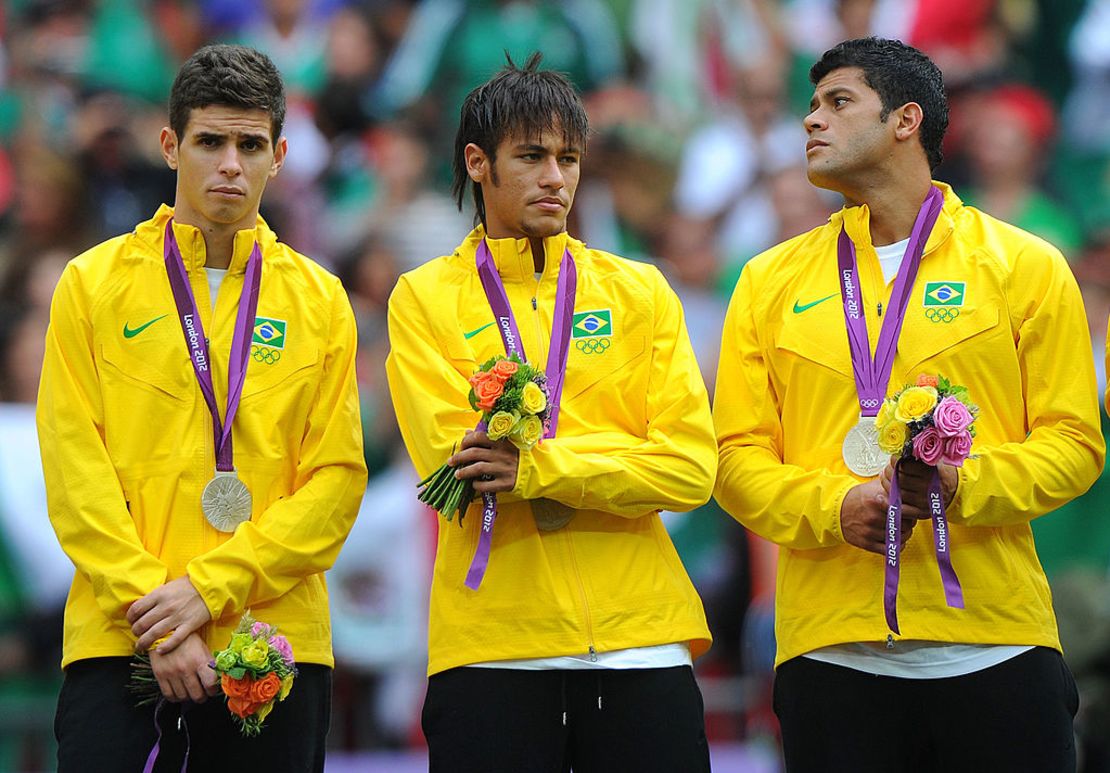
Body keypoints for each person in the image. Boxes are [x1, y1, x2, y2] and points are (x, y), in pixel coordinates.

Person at [713, 37, 1103, 772]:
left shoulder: (1024, 265)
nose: (810, 121)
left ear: (905, 120)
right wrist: (835, 507)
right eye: (810, 105)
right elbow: (733, 457)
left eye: (837, 101)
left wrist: (963, 483)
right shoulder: (766, 282)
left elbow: (1075, 443)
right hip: (831, 652)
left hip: (997, 642)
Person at [36, 44, 366, 772]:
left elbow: (336, 480)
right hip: (120, 635)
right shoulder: (90, 285)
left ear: (279, 155)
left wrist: (209, 591)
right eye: (210, 141)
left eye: (251, 145)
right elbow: (74, 469)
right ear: (170, 144)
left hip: (274, 640)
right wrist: (157, 615)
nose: (230, 164)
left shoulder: (320, 300)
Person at [385, 53, 716, 772]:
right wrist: (619, 457)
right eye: (531, 156)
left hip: (642, 641)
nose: (556, 177)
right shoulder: (422, 299)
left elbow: (690, 468)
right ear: (478, 162)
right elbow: (459, 465)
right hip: (494, 645)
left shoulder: (641, 291)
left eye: (568, 157)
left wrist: (542, 467)